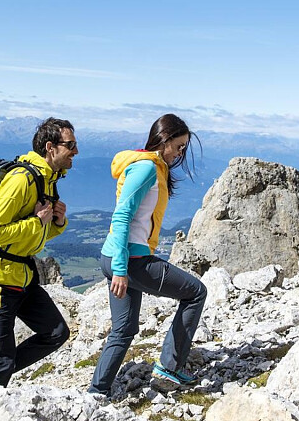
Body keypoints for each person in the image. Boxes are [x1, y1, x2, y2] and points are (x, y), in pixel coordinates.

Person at [89, 113, 207, 397]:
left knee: (124, 329)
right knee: (195, 293)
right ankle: (169, 367)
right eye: (179, 146)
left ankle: (96, 392)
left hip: (120, 256)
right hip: (131, 260)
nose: (180, 153)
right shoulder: (145, 169)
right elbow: (121, 217)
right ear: (164, 140)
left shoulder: (152, 166)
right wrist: (120, 269)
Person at [0, 117, 77, 388]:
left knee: (56, 333)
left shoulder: (47, 180)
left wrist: (57, 224)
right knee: (1, 363)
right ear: (51, 147)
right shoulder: (21, 180)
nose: (76, 151)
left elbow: (31, 237)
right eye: (70, 145)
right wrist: (36, 221)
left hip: (22, 277)